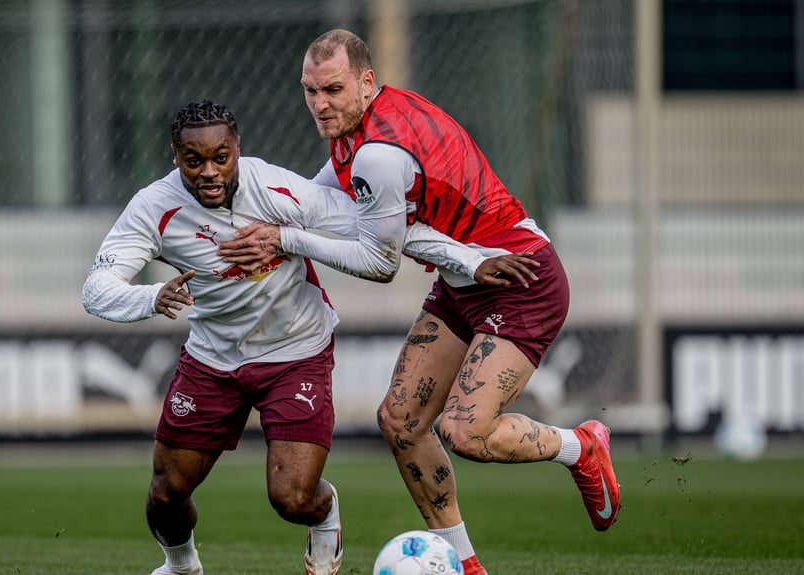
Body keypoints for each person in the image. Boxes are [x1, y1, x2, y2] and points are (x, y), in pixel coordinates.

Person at [217, 29, 621, 575]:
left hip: (521, 280)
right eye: (310, 90)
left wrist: (284, 239)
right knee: (401, 421)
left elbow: (379, 263)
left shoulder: (378, 155)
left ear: (366, 82)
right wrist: (252, 224)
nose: (320, 104)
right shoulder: (361, 126)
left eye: (332, 89)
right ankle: (466, 565)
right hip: (463, 281)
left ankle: (581, 446)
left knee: (465, 432)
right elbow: (322, 202)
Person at [82, 99, 356, 575]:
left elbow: (366, 226)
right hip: (212, 359)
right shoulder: (154, 206)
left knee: (293, 498)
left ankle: (326, 514)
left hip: (296, 350)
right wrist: (151, 297)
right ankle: (181, 567)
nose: (209, 172)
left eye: (220, 158)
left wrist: (464, 257)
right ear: (175, 156)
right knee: (165, 495)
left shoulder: (277, 187)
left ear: (237, 149)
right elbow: (96, 289)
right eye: (193, 160)